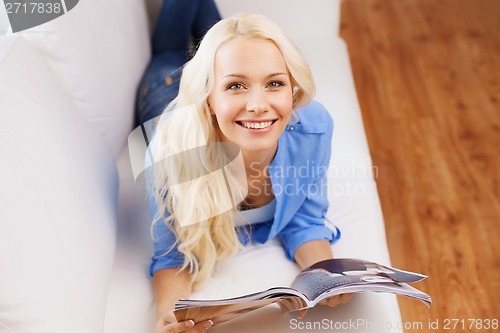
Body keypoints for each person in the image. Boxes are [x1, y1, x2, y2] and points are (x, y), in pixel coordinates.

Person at [137, 1, 352, 332]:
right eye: (236, 85)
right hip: (163, 94)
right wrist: (167, 315)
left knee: (236, 43)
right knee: (167, 52)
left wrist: (324, 273)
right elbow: (171, 256)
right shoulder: (169, 151)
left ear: (292, 90)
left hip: (213, 85)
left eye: (274, 83)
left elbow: (305, 221)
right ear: (209, 98)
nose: (258, 105)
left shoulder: (314, 127)